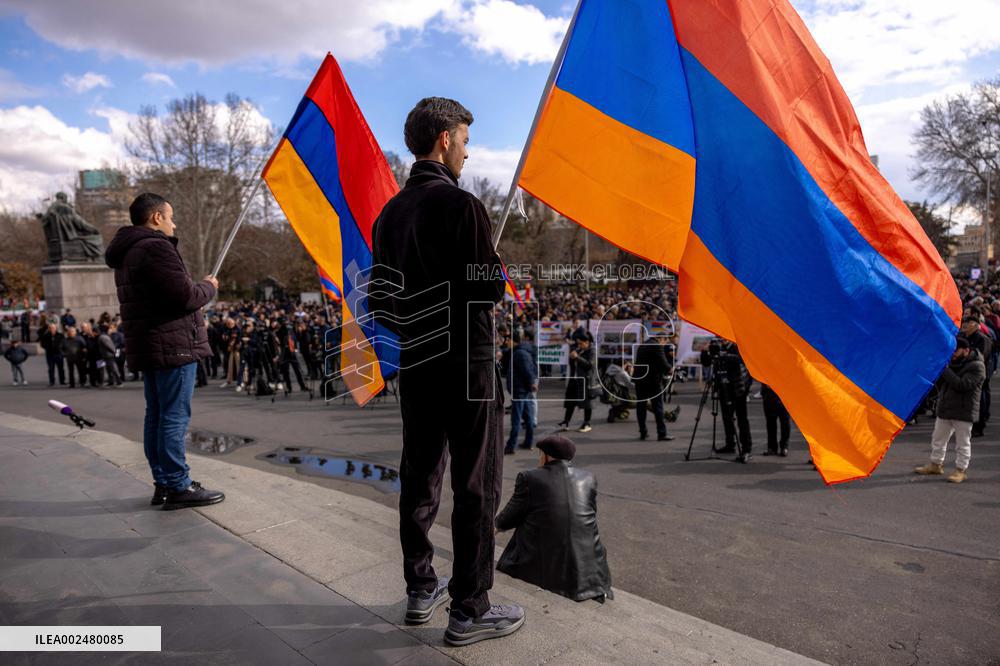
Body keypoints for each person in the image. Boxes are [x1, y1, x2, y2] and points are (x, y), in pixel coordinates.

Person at [370, 97, 522, 646]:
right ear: (444, 139)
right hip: (468, 365)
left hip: (418, 361)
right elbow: (488, 289)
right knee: (476, 483)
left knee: (420, 475)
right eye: (464, 140)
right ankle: (470, 607)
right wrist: (494, 265)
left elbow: (380, 304)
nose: (466, 151)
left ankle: (420, 586)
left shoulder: (388, 215)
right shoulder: (463, 206)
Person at [105, 192, 224, 510]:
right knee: (172, 417)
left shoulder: (129, 251)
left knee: (157, 416)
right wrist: (209, 287)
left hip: (151, 344)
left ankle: (164, 483)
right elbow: (185, 296)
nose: (174, 223)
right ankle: (178, 484)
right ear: (156, 217)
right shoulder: (156, 247)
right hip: (172, 345)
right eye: (171, 217)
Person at [495, 435, 612, 602]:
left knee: (528, 518)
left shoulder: (530, 478)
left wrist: (486, 533)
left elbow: (508, 518)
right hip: (593, 574)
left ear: (545, 456)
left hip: (549, 572)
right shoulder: (589, 478)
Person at [914, 337, 986, 483]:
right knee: (938, 438)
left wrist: (944, 369)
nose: (953, 354)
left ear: (966, 351)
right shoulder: (951, 362)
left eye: (956, 351)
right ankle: (936, 464)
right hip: (945, 408)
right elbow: (941, 382)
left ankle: (961, 470)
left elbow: (961, 385)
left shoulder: (977, 366)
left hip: (964, 411)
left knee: (962, 443)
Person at [632, 333, 674, 441]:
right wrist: (671, 369)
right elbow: (664, 364)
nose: (664, 344)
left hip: (639, 380)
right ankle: (662, 433)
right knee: (658, 407)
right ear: (661, 339)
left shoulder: (643, 345)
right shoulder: (657, 346)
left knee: (641, 406)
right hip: (652, 381)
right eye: (665, 341)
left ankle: (643, 432)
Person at [504, 330, 537, 454]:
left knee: (516, 420)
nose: (506, 342)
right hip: (523, 390)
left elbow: (527, 371)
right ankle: (528, 442)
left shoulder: (519, 353)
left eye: (508, 340)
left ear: (514, 341)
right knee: (528, 418)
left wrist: (532, 383)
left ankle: (511, 446)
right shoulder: (520, 351)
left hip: (520, 390)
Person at [558, 333, 598, 432]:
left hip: (586, 380)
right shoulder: (579, 350)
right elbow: (573, 364)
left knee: (587, 403)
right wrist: (571, 357)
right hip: (574, 379)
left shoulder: (592, 351)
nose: (579, 345)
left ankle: (587, 423)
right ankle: (566, 421)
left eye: (581, 343)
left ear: (587, 342)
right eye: (578, 343)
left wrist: (577, 357)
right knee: (570, 401)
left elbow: (589, 365)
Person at [960, 317, 992, 437]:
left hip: (978, 374)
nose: (965, 325)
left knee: (978, 401)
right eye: (964, 322)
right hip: (965, 372)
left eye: (969, 323)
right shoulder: (963, 337)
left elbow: (983, 357)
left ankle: (979, 426)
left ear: (976, 324)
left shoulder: (982, 338)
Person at [760, 383, 790, 456]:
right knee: (771, 422)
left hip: (784, 391)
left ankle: (783, 447)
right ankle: (772, 447)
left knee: (785, 422)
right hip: (769, 392)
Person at [38, 322, 66, 386]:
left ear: (56, 328)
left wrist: (60, 349)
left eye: (53, 328)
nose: (52, 329)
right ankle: (52, 381)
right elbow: (42, 344)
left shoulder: (60, 335)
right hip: (50, 354)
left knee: (61, 368)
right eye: (50, 328)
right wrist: (47, 347)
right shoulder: (46, 336)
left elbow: (64, 343)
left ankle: (62, 380)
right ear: (48, 329)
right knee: (51, 368)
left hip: (58, 354)